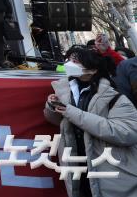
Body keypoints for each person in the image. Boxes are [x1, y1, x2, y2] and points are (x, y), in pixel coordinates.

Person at [44, 47, 137, 196]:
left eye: (75, 61)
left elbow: (126, 132)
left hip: (112, 174)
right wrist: (52, 106)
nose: (69, 64)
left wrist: (70, 111)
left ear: (92, 70)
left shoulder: (115, 98)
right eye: (68, 60)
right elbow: (59, 122)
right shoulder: (66, 91)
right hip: (79, 167)